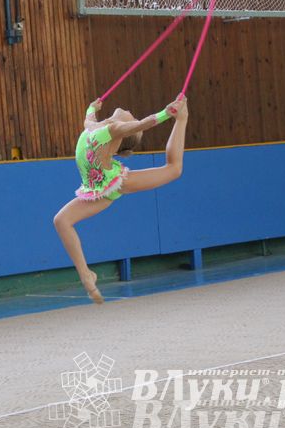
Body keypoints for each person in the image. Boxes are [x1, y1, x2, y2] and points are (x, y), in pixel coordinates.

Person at [52, 96, 189, 304]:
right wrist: (91, 107)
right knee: (60, 221)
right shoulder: (96, 125)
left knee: (174, 169)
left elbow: (145, 123)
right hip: (94, 188)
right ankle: (86, 276)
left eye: (131, 116)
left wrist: (167, 113)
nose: (129, 109)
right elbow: (88, 119)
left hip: (112, 184)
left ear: (126, 126)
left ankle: (183, 120)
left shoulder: (115, 129)